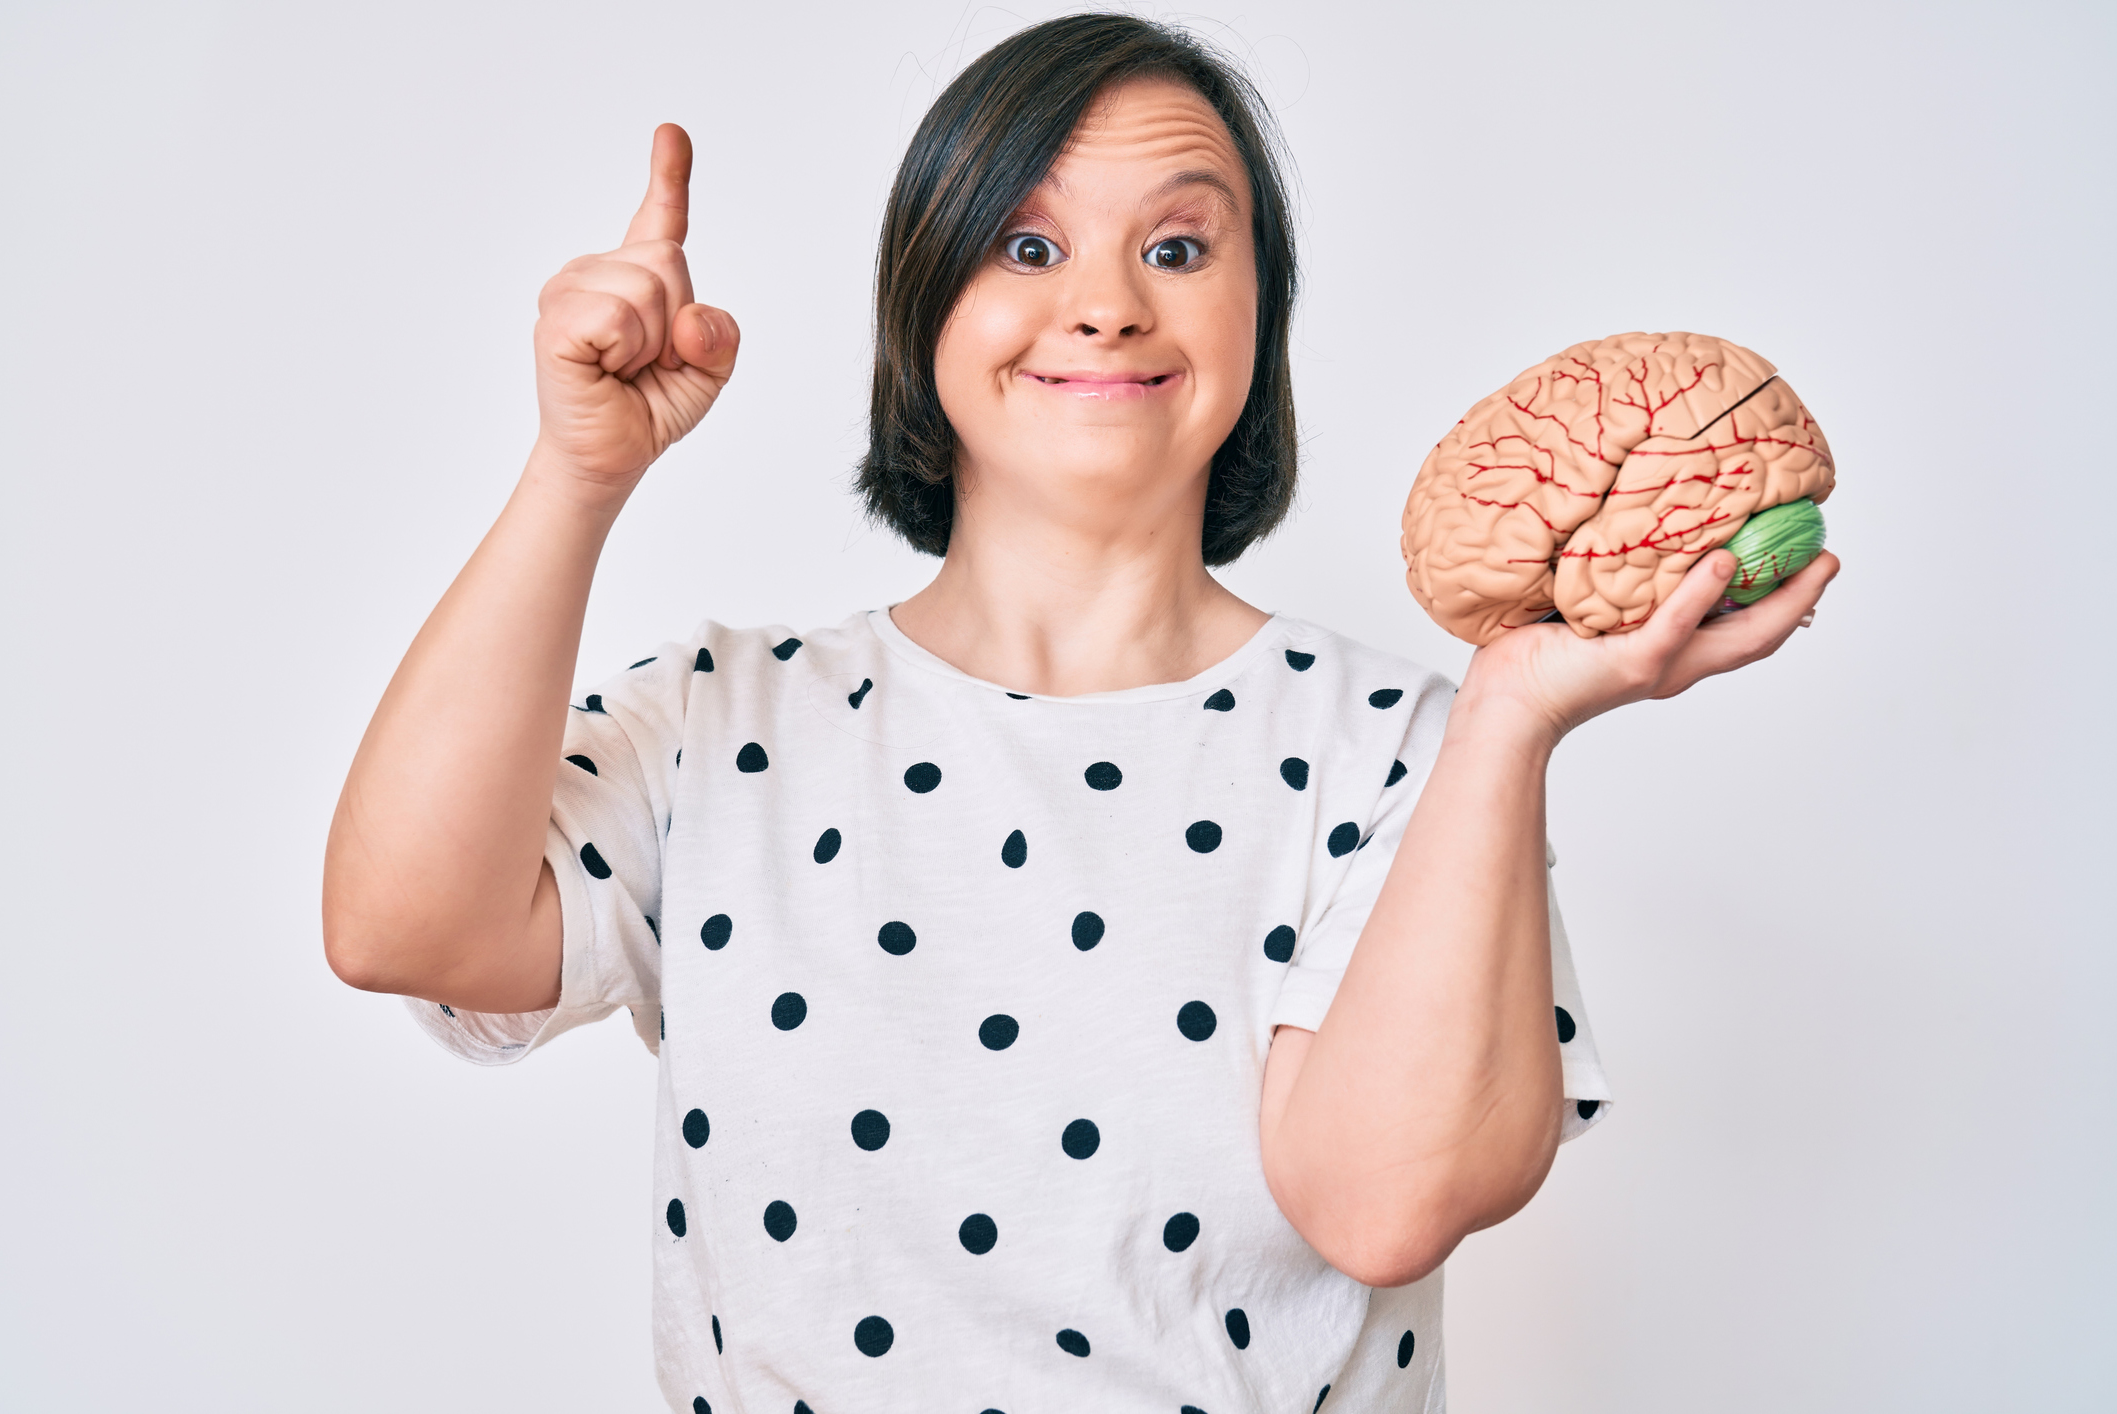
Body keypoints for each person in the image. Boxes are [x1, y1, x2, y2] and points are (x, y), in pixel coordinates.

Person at [321, 14, 1837, 1412]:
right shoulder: (726, 719)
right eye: (1027, 243)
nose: (1105, 304)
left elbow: (1378, 1201)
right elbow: (403, 927)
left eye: (1178, 245)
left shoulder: (1401, 749)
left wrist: (1507, 720)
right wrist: (579, 470)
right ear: (923, 307)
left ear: (1261, 319)